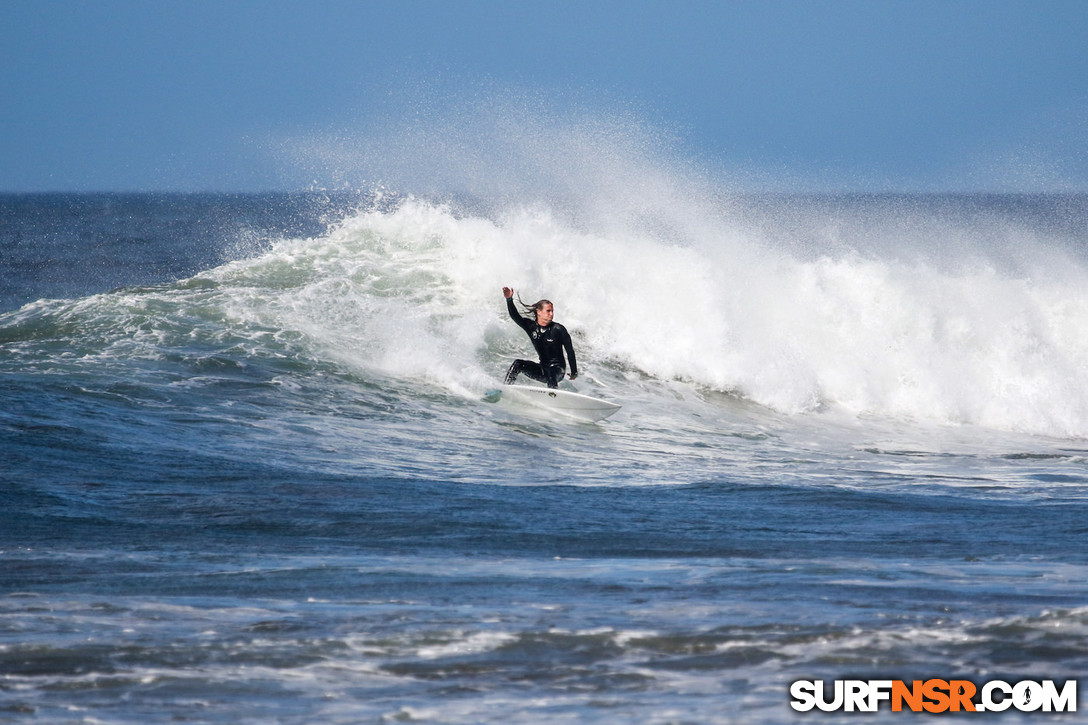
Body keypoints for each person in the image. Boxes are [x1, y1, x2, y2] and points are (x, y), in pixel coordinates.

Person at [502, 286, 578, 389]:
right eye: (548, 311)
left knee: (551, 372)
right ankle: (506, 388)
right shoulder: (531, 327)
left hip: (558, 371)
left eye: (552, 311)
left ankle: (553, 395)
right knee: (518, 364)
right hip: (542, 369)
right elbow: (516, 317)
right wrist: (509, 299)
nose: (551, 314)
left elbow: (570, 351)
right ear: (539, 312)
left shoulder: (558, 329)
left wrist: (574, 372)